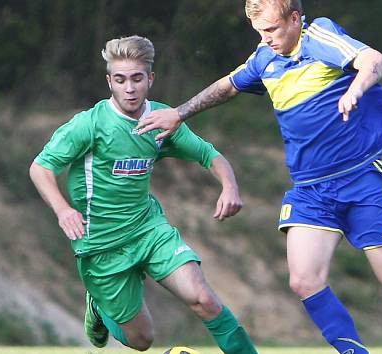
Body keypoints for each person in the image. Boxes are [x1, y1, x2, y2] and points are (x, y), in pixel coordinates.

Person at [134, 1, 382, 353]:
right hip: (310, 191)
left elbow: (375, 61)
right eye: (260, 32)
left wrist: (356, 88)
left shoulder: (318, 36)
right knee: (304, 280)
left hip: (361, 180)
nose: (266, 40)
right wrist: (180, 113)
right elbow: (228, 85)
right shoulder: (266, 57)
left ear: (295, 19)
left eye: (272, 30)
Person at [29, 35, 258, 354]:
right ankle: (99, 308)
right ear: (109, 81)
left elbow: (209, 155)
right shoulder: (89, 125)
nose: (130, 88)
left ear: (150, 78)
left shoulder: (162, 120)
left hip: (149, 229)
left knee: (203, 299)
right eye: (120, 80)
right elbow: (40, 168)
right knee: (141, 340)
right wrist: (63, 210)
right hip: (101, 243)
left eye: (137, 78)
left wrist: (229, 186)